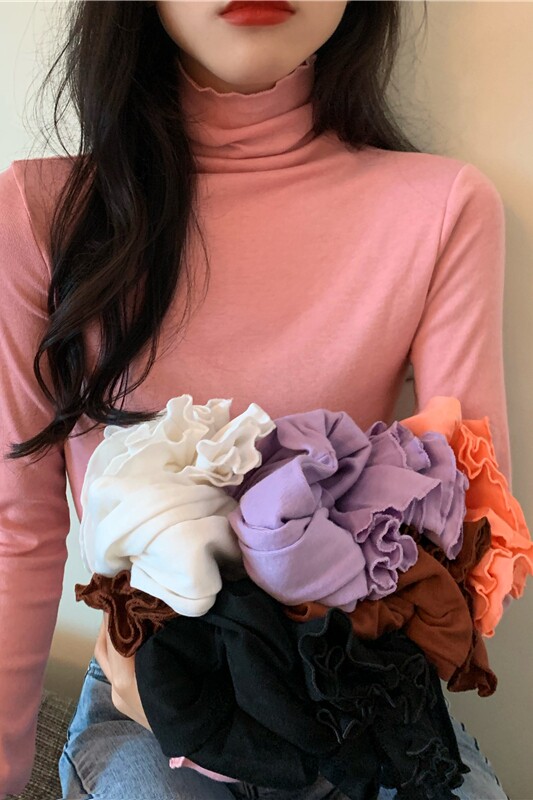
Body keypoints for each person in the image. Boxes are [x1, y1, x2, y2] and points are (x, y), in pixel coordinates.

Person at [0, 1, 512, 798]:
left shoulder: (442, 208)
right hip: (147, 708)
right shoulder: (44, 211)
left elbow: (471, 533)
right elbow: (16, 533)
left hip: (359, 698)